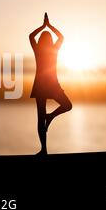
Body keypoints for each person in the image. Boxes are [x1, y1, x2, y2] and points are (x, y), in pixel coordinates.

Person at [29, 12, 72, 155]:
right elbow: (61, 37)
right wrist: (49, 26)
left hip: (42, 85)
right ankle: (44, 149)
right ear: (49, 40)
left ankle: (44, 149)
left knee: (41, 117)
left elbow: (31, 36)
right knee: (67, 105)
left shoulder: (38, 50)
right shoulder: (54, 49)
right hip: (51, 85)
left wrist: (43, 27)